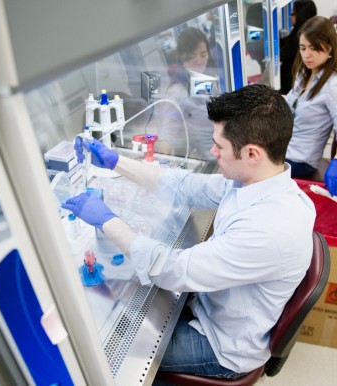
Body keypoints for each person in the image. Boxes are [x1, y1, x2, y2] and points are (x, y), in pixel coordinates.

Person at [62, 84, 316, 380]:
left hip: (221, 346)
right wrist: (117, 162)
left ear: (251, 153)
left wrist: (107, 220)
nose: (213, 151)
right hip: (212, 308)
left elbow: (170, 269)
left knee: (103, 352)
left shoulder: (267, 229)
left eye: (219, 146)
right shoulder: (258, 182)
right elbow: (185, 186)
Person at [285, 16, 337, 197]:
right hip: (284, 148)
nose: (307, 54)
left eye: (314, 48)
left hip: (300, 160)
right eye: (303, 48)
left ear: (330, 47)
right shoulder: (304, 74)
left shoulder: (334, 85)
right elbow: (288, 103)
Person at [153, 27, 217, 161]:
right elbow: (169, 128)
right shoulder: (177, 91)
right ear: (182, 58)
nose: (199, 61)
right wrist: (163, 150)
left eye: (203, 54)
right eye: (192, 56)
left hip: (222, 149)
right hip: (210, 159)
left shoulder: (207, 78)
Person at [279, 0, 317, 95]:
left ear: (300, 16)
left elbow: (281, 55)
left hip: (289, 83)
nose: (290, 17)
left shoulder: (300, 37)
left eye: (292, 14)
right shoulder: (309, 32)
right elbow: (287, 42)